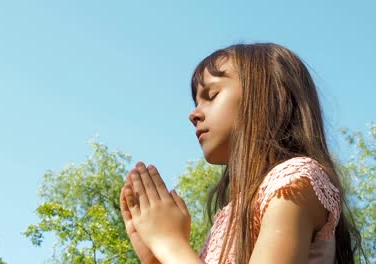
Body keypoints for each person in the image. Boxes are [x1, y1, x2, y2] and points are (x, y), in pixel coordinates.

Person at [119, 43, 363, 264]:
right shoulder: (232, 212)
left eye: (211, 96)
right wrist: (155, 258)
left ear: (270, 97)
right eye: (196, 102)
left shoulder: (295, 180)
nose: (193, 114)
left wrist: (169, 243)